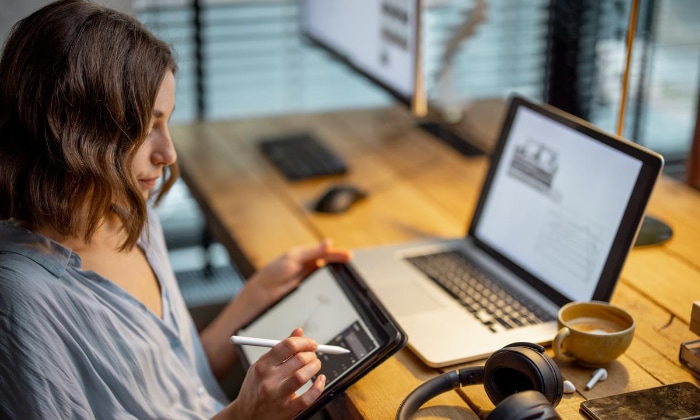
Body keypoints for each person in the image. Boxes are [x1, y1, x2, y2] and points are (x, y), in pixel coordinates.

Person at [0, 1, 352, 418]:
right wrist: (246, 414)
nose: (168, 153)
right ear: (76, 132)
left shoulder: (131, 215)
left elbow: (175, 380)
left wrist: (257, 293)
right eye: (147, 128)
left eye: (166, 123)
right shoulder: (22, 298)